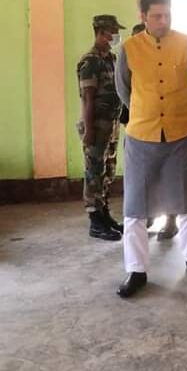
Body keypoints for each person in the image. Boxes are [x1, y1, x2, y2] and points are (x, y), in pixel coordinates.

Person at [114, 0, 187, 298]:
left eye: (167, 15)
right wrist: (148, 110)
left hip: (182, 135)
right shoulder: (129, 48)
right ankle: (137, 271)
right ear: (142, 16)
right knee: (135, 208)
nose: (163, 21)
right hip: (142, 136)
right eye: (156, 16)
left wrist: (177, 111)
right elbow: (124, 91)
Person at [76, 15, 126, 241]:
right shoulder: (90, 61)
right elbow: (88, 98)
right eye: (113, 31)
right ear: (101, 32)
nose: (116, 35)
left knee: (107, 171)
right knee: (94, 172)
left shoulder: (111, 58)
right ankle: (95, 221)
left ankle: (104, 215)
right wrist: (89, 130)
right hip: (96, 124)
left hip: (111, 124)